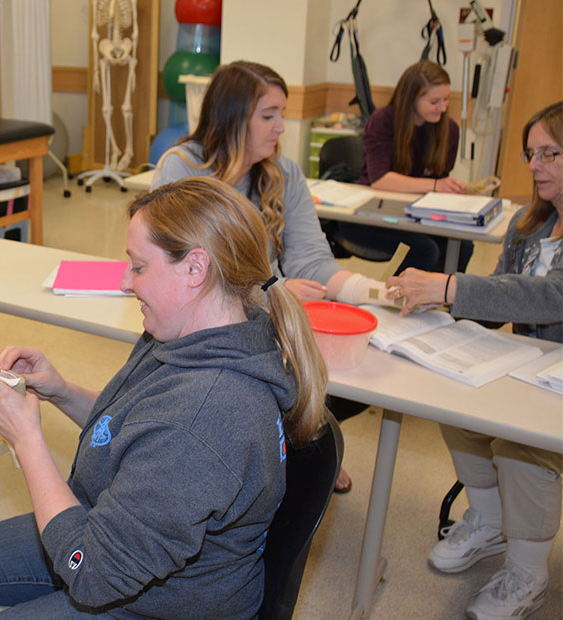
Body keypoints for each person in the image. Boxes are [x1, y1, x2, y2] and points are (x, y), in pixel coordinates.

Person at [0, 177, 330, 619]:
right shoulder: (188, 334)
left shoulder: (204, 418)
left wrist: (27, 439)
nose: (127, 283)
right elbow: (141, 431)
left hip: (159, 599)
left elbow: (93, 573)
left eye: (139, 266)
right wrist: (62, 391)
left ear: (195, 268)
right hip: (116, 527)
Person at [153, 60, 397, 493]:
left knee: (364, 375)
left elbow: (312, 262)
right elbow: (188, 277)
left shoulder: (283, 174)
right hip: (211, 329)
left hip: (279, 318)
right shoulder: (182, 170)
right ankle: (298, 444)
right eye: (269, 115)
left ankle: (301, 441)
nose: (281, 126)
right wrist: (277, 294)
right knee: (280, 383)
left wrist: (377, 293)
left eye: (282, 114)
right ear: (231, 118)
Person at [387, 101, 562, 620]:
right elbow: (500, 304)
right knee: (455, 399)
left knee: (517, 442)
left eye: (549, 153)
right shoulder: (530, 226)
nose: (533, 166)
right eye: (531, 154)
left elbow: (550, 298)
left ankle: (529, 570)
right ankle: (488, 522)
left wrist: (450, 285)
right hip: (535, 363)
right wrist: (429, 322)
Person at [341, 60, 473, 273]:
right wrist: (436, 185)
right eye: (434, 101)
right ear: (412, 98)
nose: (443, 107)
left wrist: (445, 187)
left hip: (415, 215)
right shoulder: (383, 120)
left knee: (463, 246)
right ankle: (399, 299)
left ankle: (438, 301)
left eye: (447, 99)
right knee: (425, 249)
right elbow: (381, 180)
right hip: (370, 216)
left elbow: (438, 181)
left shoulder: (449, 130)